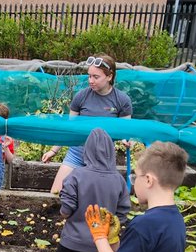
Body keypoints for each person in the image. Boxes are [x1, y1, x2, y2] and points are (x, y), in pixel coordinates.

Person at [40, 54, 133, 194]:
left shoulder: (122, 100)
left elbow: (126, 130)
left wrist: (126, 140)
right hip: (77, 154)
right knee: (57, 193)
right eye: (89, 76)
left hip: (103, 159)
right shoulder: (81, 96)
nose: (90, 80)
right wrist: (53, 150)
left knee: (100, 199)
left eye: (96, 77)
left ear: (109, 76)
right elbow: (69, 129)